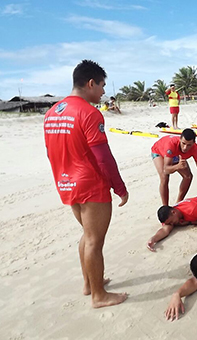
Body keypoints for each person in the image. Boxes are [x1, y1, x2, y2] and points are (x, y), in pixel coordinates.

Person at [43, 60, 128, 308]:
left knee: (87, 235)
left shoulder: (51, 113)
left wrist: (63, 176)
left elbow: (50, 152)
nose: (103, 91)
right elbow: (103, 157)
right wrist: (119, 187)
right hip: (90, 184)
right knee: (94, 241)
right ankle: (99, 296)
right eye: (101, 85)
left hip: (66, 182)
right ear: (90, 83)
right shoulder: (89, 113)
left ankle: (89, 284)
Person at [151, 128, 197, 206]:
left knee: (188, 176)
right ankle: (165, 206)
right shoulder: (171, 145)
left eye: (189, 145)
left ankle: (178, 203)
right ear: (180, 139)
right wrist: (177, 166)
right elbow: (166, 169)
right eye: (183, 143)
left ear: (194, 143)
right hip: (159, 151)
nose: (185, 148)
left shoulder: (195, 149)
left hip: (176, 154)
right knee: (164, 177)